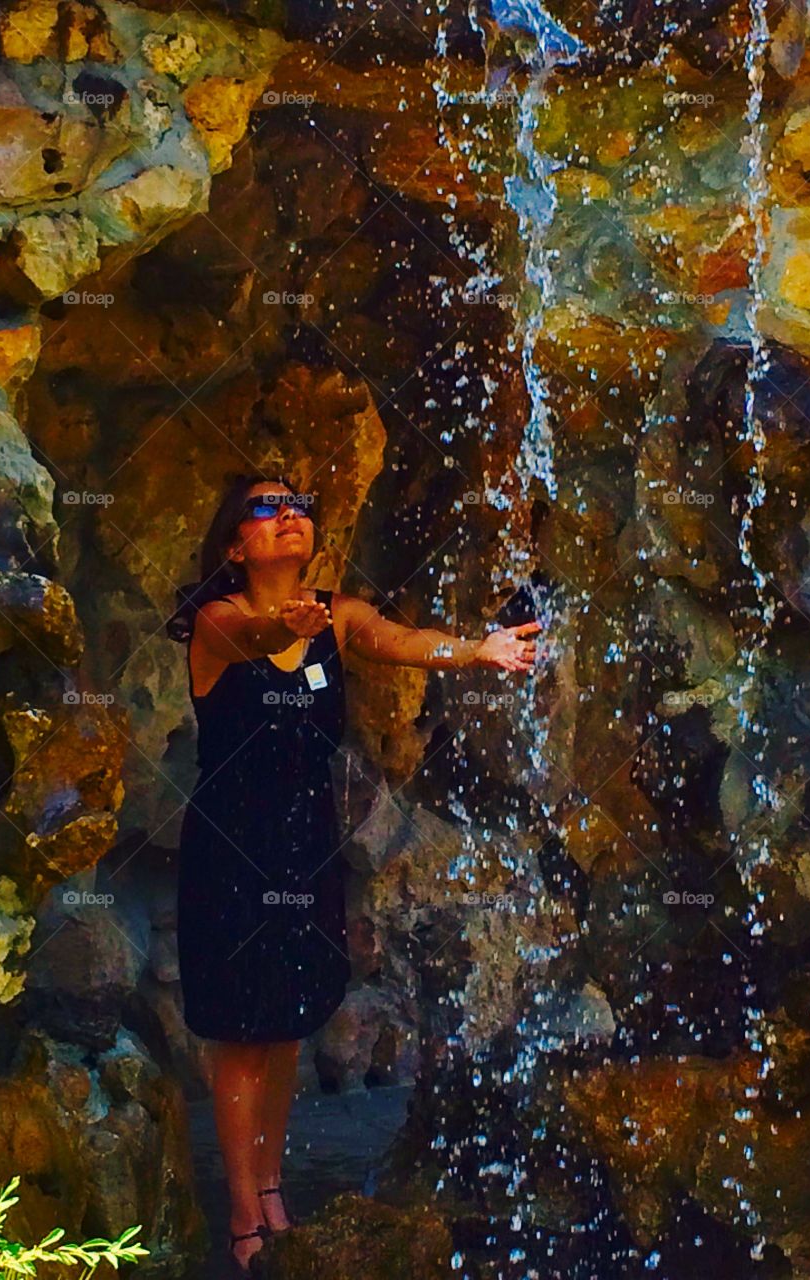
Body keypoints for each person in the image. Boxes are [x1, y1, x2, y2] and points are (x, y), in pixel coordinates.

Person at [165, 471, 540, 1275]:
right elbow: (252, 642)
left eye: (297, 506)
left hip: (305, 843)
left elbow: (402, 641)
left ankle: (269, 1185)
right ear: (237, 542)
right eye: (267, 508)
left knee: (290, 1013)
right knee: (239, 1029)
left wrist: (476, 649)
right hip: (233, 844)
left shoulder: (337, 616)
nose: (288, 517)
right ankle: (240, 1207)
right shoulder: (215, 617)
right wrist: (281, 630)